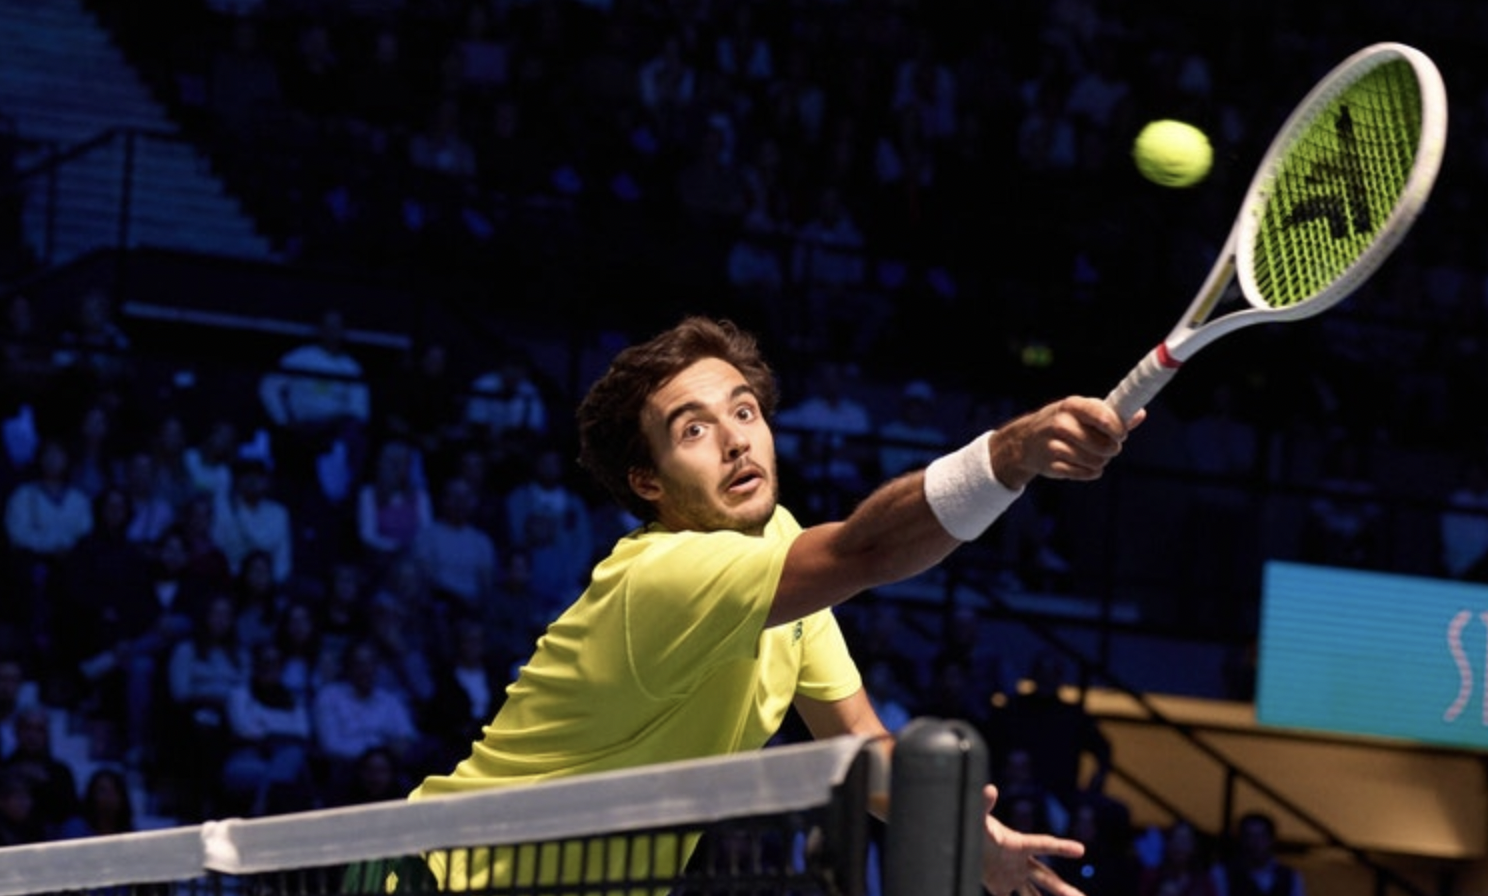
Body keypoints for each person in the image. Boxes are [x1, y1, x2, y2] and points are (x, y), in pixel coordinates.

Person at [390, 316, 1138, 895]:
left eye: (744, 413)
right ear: (648, 482)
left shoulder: (776, 553)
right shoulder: (663, 576)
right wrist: (1006, 456)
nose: (735, 442)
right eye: (693, 430)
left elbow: (856, 745)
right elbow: (864, 552)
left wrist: (972, 838)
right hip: (437, 878)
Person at [1211, 812, 1305, 896]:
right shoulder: (1222, 873)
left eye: (1261, 837)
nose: (1255, 843)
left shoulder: (1291, 877)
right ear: (1241, 840)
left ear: (1271, 840)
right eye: (1249, 836)